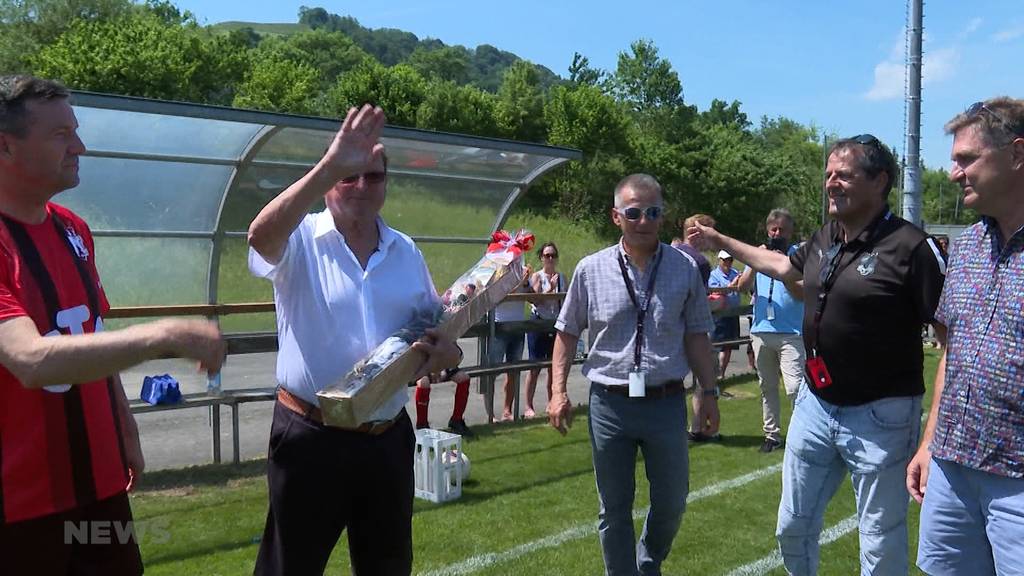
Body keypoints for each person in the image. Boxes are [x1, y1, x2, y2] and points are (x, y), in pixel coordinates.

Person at [688, 134, 946, 575]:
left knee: (880, 546)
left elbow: (951, 344)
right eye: (828, 174)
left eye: (843, 175)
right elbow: (781, 266)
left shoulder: (913, 248)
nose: (831, 183)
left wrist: (930, 438)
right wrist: (719, 239)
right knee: (792, 526)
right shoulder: (826, 235)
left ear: (879, 181)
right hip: (816, 404)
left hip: (881, 417)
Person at [0, 75, 225, 576]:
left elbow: (92, 340)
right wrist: (162, 335)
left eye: (75, 130)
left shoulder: (73, 229)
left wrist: (125, 430)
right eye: (60, 135)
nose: (79, 146)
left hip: (100, 490)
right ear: (6, 146)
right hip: (19, 506)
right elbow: (31, 361)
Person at [247, 103, 461, 575]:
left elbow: (433, 333)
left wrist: (450, 353)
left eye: (374, 177)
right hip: (311, 437)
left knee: (387, 567)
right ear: (330, 183)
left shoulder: (405, 251)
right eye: (351, 177)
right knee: (290, 567)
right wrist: (330, 166)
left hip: (386, 438)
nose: (362, 187)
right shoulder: (300, 240)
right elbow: (259, 238)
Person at [549, 174, 719, 576]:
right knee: (614, 507)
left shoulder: (685, 269)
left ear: (663, 215)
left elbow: (697, 335)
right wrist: (557, 392)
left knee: (673, 501)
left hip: (665, 401)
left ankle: (648, 560)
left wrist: (709, 392)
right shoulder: (591, 270)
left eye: (654, 212)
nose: (644, 220)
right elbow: (566, 332)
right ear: (616, 216)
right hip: (609, 403)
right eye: (634, 212)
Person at [907, 97, 1024, 576]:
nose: (955, 173)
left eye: (966, 159)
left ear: (1017, 154)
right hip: (952, 468)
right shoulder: (969, 243)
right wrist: (929, 442)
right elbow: (953, 352)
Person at [732, 208, 805, 453]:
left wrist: (782, 268)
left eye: (782, 229)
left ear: (790, 231)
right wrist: (756, 261)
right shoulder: (758, 254)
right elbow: (743, 286)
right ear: (767, 230)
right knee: (767, 386)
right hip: (762, 331)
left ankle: (800, 433)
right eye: (774, 229)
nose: (777, 233)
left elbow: (800, 292)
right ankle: (772, 434)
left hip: (791, 332)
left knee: (794, 386)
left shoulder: (798, 257)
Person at [674, 214, 720, 440]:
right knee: (707, 374)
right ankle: (699, 426)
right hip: (692, 332)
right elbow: (697, 304)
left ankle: (690, 426)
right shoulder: (699, 263)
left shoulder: (671, 254)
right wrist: (716, 302)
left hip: (672, 332)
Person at [523, 241, 563, 418]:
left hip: (554, 324)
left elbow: (565, 301)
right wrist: (552, 288)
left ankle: (551, 401)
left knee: (553, 367)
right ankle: (528, 405)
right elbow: (537, 300)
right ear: (541, 258)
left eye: (553, 255)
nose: (550, 258)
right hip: (538, 323)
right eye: (547, 255)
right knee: (534, 366)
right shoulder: (538, 277)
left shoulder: (562, 277)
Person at [492, 265, 532, 422]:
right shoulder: (497, 272)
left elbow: (532, 297)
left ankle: (507, 411)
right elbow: (501, 295)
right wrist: (520, 282)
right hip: (499, 328)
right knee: (491, 372)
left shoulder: (522, 271)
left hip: (518, 328)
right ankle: (491, 414)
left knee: (513, 372)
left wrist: (527, 284)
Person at [708, 250, 740, 380]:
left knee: (729, 346)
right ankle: (712, 374)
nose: (728, 263)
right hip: (719, 315)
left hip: (733, 313)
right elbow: (719, 292)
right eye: (725, 260)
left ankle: (721, 374)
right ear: (719, 260)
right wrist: (734, 283)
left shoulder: (735, 273)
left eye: (730, 260)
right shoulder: (713, 275)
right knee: (717, 346)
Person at [414, 366, 474, 436]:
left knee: (464, 378)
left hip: (441, 365)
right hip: (419, 366)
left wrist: (443, 368)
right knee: (423, 383)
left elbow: (456, 357)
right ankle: (422, 426)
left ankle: (456, 420)